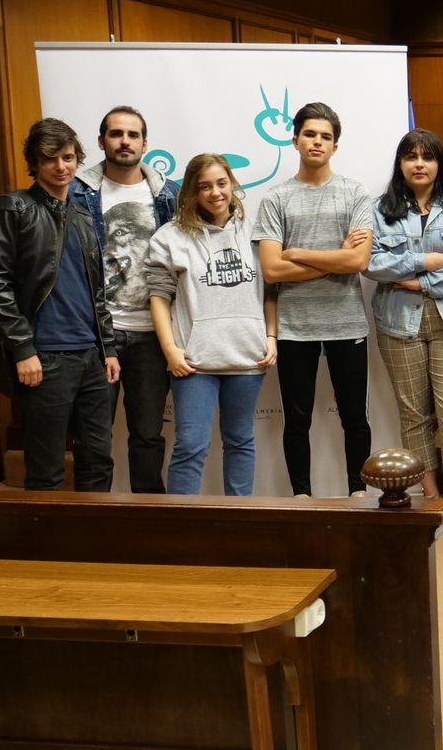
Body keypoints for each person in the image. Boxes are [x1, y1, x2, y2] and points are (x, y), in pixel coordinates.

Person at [0, 118, 120, 491]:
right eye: (51, 159)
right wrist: (23, 348)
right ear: (35, 163)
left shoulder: (84, 215)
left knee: (98, 461)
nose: (61, 167)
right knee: (46, 467)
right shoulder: (13, 208)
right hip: (44, 357)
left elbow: (97, 289)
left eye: (69, 158)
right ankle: (45, 549)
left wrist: (108, 348)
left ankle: (93, 545)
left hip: (91, 356)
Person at [254, 101, 374, 498]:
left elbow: (357, 260)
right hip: (294, 328)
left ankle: (358, 491)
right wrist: (333, 258)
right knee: (297, 419)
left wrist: (298, 253)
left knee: (355, 417)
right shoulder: (276, 199)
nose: (317, 142)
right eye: (310, 134)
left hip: (347, 323)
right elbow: (272, 270)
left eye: (326, 136)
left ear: (335, 146)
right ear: (295, 139)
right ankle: (301, 496)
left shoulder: (355, 193)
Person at [367, 129, 443, 527]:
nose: (419, 164)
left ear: (439, 164)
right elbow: (372, 263)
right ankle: (432, 497)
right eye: (411, 156)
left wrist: (420, 282)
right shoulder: (379, 210)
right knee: (414, 413)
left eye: (427, 157)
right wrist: (425, 260)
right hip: (399, 323)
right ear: (400, 164)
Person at [145, 154, 276, 496]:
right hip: (193, 361)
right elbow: (158, 296)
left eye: (221, 183)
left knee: (241, 440)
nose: (215, 193)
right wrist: (170, 349)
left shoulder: (258, 233)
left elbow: (271, 290)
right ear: (191, 192)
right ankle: (183, 528)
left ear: (232, 184)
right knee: (190, 445)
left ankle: (239, 519)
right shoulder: (169, 237)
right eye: (204, 186)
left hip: (248, 356)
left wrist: (271, 336)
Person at [67, 105, 178, 493]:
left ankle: (149, 521)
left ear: (145, 143)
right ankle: (92, 525)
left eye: (133, 135)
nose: (125, 141)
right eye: (116, 134)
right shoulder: (76, 193)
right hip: (99, 335)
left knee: (148, 436)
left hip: (153, 334)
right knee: (92, 441)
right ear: (101, 142)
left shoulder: (169, 195)